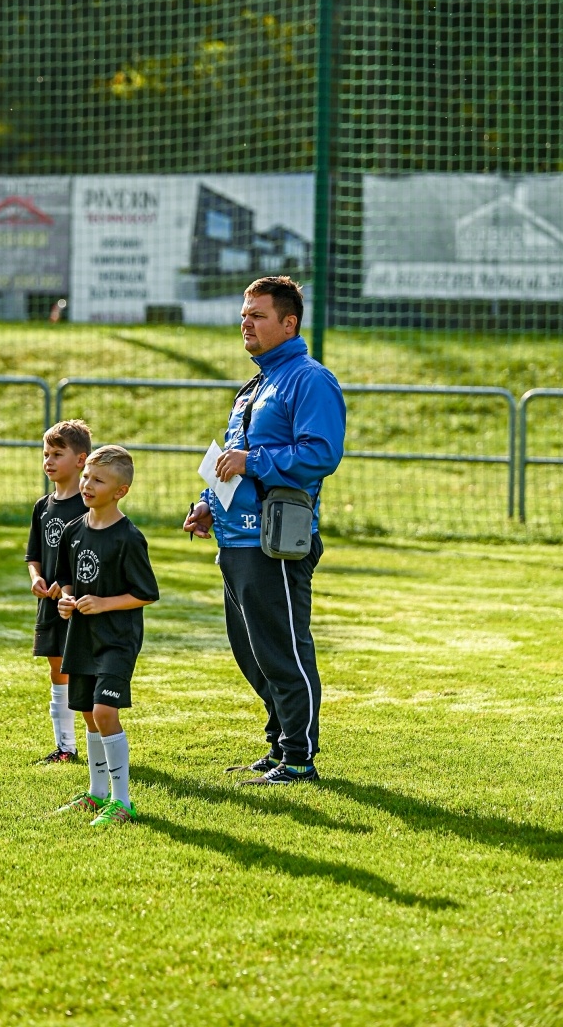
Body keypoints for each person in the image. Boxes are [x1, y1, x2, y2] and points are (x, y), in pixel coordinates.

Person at [183, 275, 346, 785]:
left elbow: (321, 454)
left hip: (276, 539)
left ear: (288, 322)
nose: (245, 324)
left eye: (257, 315)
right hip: (236, 537)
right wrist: (209, 504)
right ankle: (280, 742)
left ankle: (299, 756)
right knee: (251, 651)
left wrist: (254, 461)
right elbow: (232, 461)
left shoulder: (310, 379)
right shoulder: (255, 383)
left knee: (282, 648)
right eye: (243, 314)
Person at [54, 445, 159, 826]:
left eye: (98, 480)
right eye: (86, 477)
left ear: (120, 491)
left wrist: (103, 604)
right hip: (81, 637)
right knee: (85, 711)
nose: (87, 484)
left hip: (117, 639)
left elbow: (145, 593)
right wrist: (65, 600)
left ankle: (123, 803)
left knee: (104, 711)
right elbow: (65, 580)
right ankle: (97, 796)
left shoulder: (129, 537)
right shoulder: (73, 530)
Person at [25, 419, 92, 764]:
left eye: (57, 454)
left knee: (82, 673)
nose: (49, 461)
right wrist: (36, 578)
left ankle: (97, 743)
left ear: (81, 460)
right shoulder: (42, 506)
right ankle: (66, 747)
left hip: (77, 606)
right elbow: (33, 556)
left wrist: (67, 587)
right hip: (49, 607)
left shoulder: (88, 505)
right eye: (46, 454)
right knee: (57, 670)